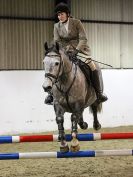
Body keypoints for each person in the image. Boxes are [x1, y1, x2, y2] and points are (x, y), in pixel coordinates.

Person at [45, 2, 108, 105]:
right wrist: (65, 51)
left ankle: (99, 93)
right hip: (64, 51)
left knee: (91, 65)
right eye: (58, 15)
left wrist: (76, 51)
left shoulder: (77, 22)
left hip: (80, 50)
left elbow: (83, 38)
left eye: (61, 14)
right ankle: (51, 95)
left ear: (67, 14)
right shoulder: (56, 26)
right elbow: (57, 41)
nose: (59, 17)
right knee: (55, 66)